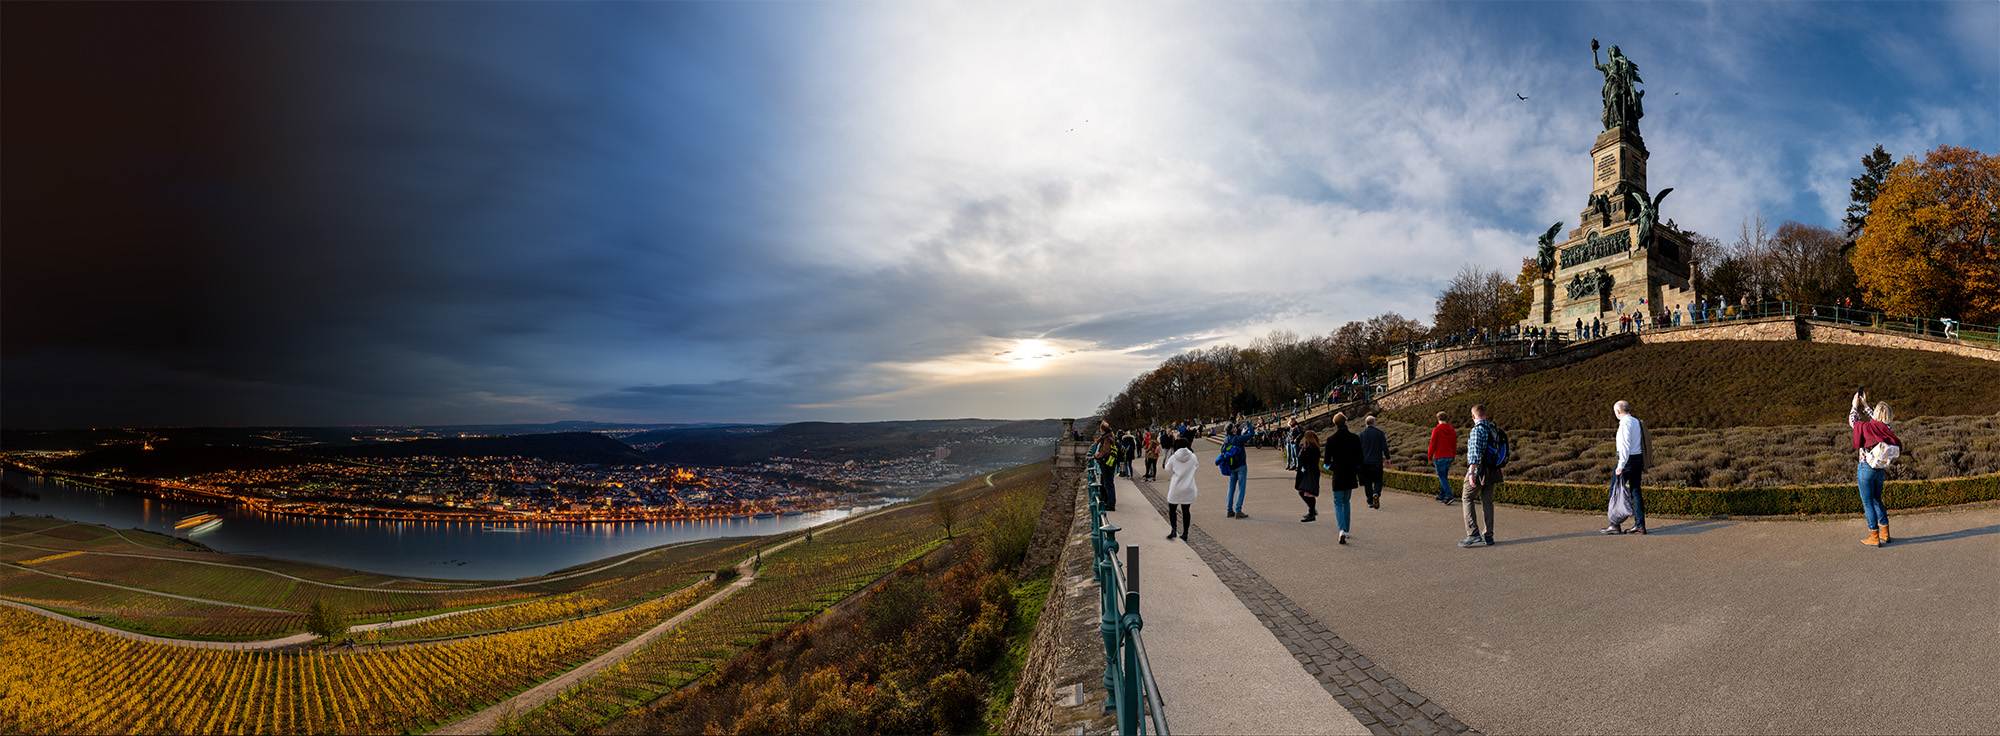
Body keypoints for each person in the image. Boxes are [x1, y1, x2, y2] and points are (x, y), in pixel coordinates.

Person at [1850, 390, 1903, 546]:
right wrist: (1865, 405)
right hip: (1880, 469)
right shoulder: (1887, 428)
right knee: (1877, 500)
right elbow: (1877, 419)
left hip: (1865, 468)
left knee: (1868, 503)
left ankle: (1874, 537)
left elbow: (1853, 421)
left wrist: (1855, 406)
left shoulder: (1866, 428)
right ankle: (1885, 533)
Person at [1600, 400, 1648, 535]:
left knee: (1614, 489)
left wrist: (1621, 465)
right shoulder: (1635, 421)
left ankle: (1614, 524)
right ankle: (1640, 525)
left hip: (1627, 460)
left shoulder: (1625, 423)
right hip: (1638, 459)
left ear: (1618, 411)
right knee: (1635, 491)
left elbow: (1625, 445)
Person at [1459, 405, 1503, 547]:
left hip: (1479, 470)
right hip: (1492, 470)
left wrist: (1472, 473)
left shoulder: (1476, 430)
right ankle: (1488, 535)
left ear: (1473, 416)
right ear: (1485, 414)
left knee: (1467, 498)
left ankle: (1473, 533)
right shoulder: (1493, 429)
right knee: (1487, 502)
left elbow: (1475, 453)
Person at [1323, 414, 1363, 544]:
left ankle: (1342, 529)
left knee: (1337, 502)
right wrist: (1355, 469)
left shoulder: (1330, 440)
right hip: (1350, 474)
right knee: (1346, 502)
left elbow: (1326, 462)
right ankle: (1347, 530)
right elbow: (1360, 459)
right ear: (1346, 422)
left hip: (1338, 475)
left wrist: (1332, 468)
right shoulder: (1354, 438)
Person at [1164, 437, 1200, 541]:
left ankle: (1174, 530)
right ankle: (1185, 533)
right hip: (1188, 487)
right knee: (1186, 511)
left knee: (1172, 510)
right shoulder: (1193, 457)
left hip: (1176, 488)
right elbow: (1196, 466)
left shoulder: (1174, 457)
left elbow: (1168, 470)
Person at [1220, 423, 1255, 518]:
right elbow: (1252, 433)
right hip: (1240, 466)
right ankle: (1238, 510)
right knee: (1241, 488)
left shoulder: (1226, 438)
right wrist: (1248, 422)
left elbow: (1230, 430)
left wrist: (1237, 423)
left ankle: (1229, 510)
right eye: (1235, 427)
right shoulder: (1239, 439)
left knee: (1231, 488)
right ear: (1234, 430)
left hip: (1231, 466)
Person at [1358, 416, 1389, 509]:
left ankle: (1370, 500)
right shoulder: (1380, 433)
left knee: (1367, 483)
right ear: (1374, 423)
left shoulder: (1361, 434)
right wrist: (1388, 458)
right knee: (1378, 480)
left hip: (1365, 463)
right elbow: (1385, 447)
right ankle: (1376, 492)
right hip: (1377, 462)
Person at [1428, 412, 1458, 504]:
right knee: (1444, 477)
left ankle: (1449, 496)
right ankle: (1441, 496)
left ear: (1438, 419)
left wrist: (1429, 455)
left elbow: (1432, 443)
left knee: (1442, 477)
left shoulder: (1436, 429)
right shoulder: (1452, 429)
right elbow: (1454, 444)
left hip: (1440, 456)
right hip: (1449, 456)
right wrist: (1453, 456)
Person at [1294, 430, 1322, 523]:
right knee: (1305, 492)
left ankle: (1312, 512)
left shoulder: (1310, 448)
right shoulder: (1309, 447)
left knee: (1308, 492)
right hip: (1308, 472)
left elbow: (1307, 461)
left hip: (1309, 473)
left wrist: (1303, 469)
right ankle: (1311, 511)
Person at [1089, 424, 1117, 511]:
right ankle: (1109, 502)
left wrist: (1098, 456)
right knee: (1108, 483)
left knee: (1108, 484)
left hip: (1106, 463)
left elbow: (1105, 452)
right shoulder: (1109, 437)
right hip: (1109, 463)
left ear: (1102, 429)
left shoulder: (1106, 439)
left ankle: (1110, 504)